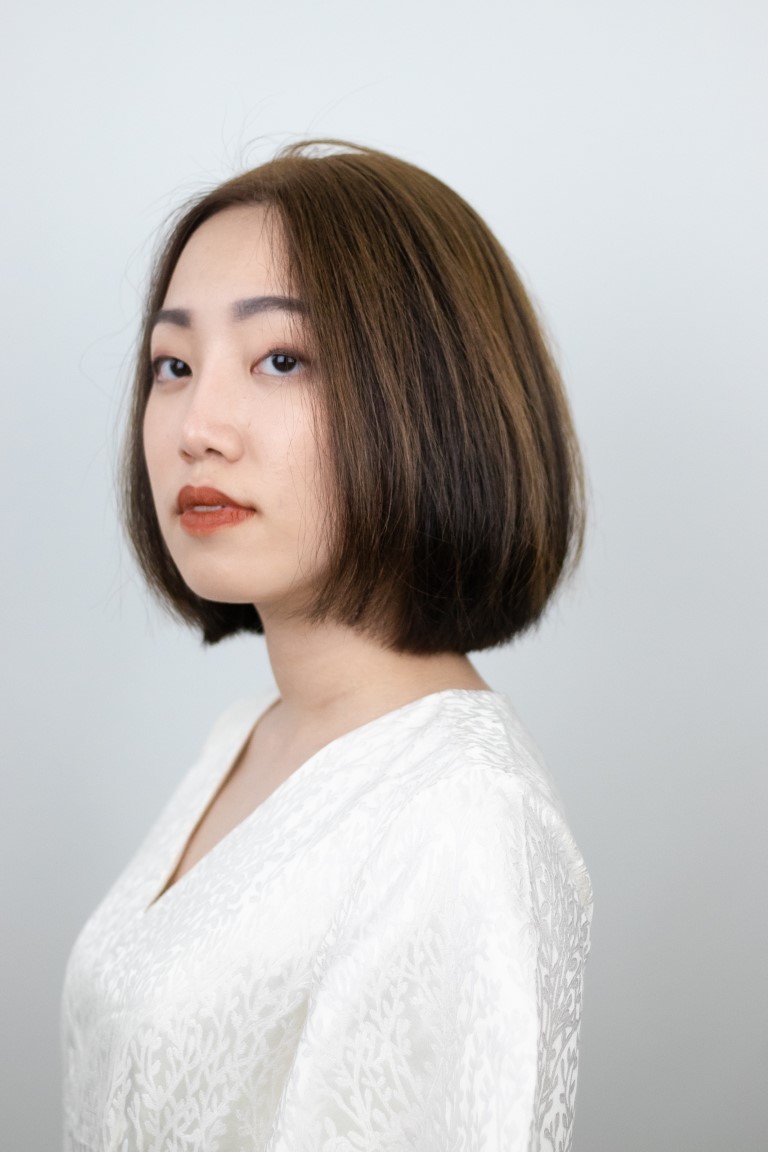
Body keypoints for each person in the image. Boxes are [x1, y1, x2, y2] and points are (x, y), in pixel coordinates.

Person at [61, 139, 593, 1151]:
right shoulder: (249, 736)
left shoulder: (458, 818)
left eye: (281, 360)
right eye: (174, 365)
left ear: (433, 399)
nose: (197, 426)